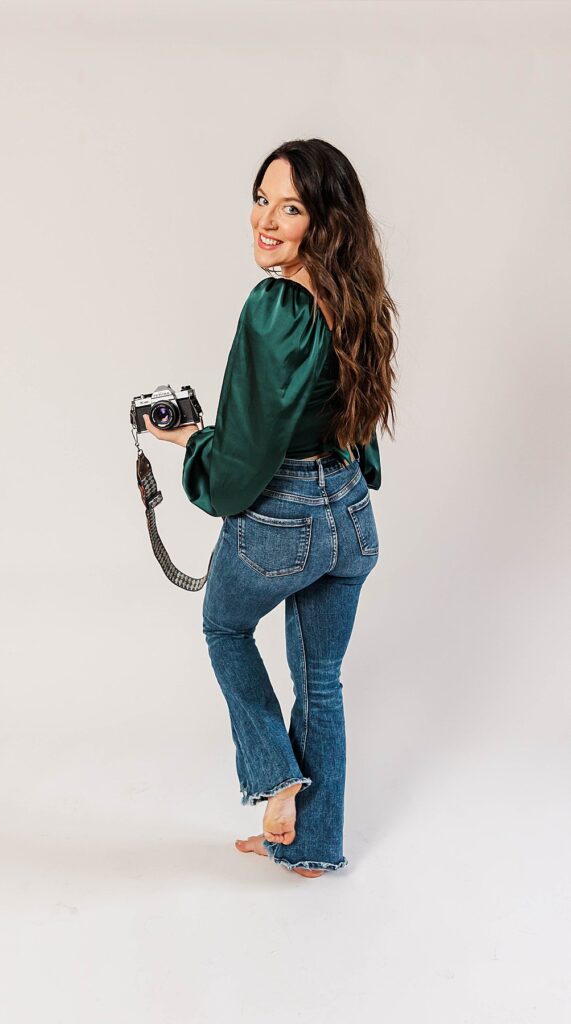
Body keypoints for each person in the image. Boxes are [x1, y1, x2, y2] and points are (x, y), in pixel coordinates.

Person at [144, 139, 398, 878]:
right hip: (350, 512)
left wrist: (191, 444)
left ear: (324, 220)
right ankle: (311, 846)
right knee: (321, 682)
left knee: (224, 627)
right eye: (261, 200)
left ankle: (276, 777)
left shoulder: (276, 305)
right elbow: (350, 424)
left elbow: (247, 455)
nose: (265, 220)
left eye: (290, 208)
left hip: (285, 519)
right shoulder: (357, 296)